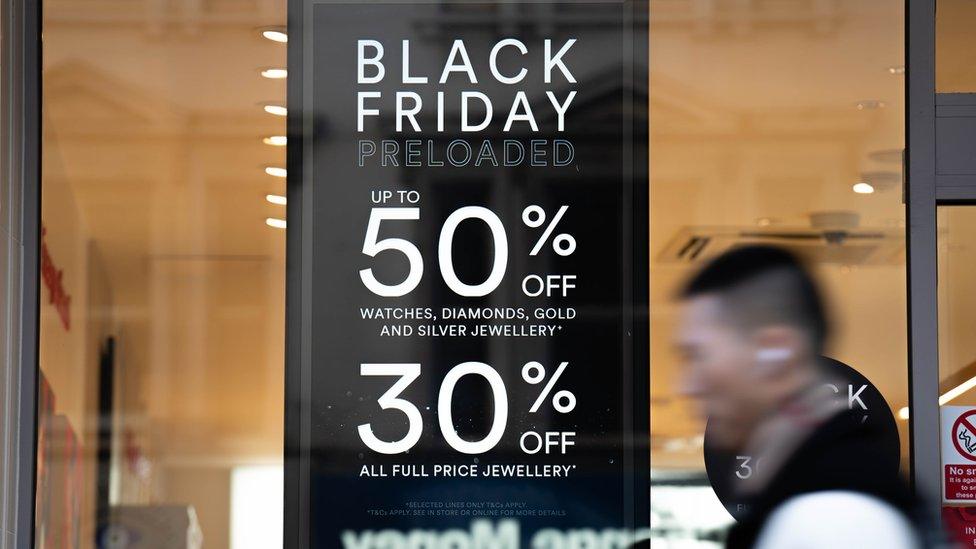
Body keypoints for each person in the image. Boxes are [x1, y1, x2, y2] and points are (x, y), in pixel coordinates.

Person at [674, 245, 930, 549]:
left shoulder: (834, 520)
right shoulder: (819, 495)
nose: (686, 386)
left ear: (776, 352)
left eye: (698, 355)